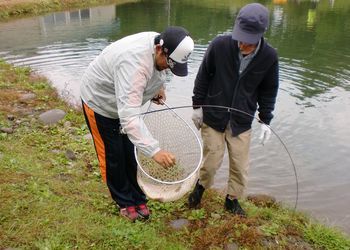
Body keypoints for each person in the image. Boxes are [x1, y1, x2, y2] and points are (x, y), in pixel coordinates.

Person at [80, 26, 194, 221]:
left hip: (123, 102)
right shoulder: (133, 64)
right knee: (113, 156)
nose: (168, 68)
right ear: (159, 50)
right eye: (169, 63)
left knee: (130, 153)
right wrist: (155, 150)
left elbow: (157, 70)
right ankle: (124, 202)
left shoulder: (160, 44)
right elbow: (130, 117)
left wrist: (158, 87)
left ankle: (137, 196)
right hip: (100, 103)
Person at [189, 3, 279, 216]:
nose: (242, 45)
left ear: (260, 35)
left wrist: (266, 119)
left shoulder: (269, 56)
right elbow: (203, 76)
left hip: (242, 120)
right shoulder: (219, 45)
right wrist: (197, 106)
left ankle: (232, 200)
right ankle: (199, 189)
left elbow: (269, 90)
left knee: (240, 165)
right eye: (240, 38)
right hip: (213, 116)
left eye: (248, 42)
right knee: (211, 161)